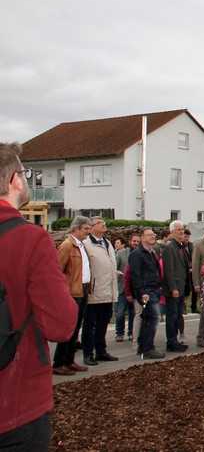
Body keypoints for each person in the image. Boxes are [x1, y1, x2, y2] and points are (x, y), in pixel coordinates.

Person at [0, 142, 77, 451]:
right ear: (13, 180)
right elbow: (61, 325)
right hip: (15, 404)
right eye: (26, 173)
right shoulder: (29, 238)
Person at [52, 216, 93, 375]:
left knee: (75, 329)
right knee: (69, 328)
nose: (88, 232)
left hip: (82, 290)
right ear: (76, 228)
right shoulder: (67, 246)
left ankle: (69, 360)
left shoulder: (81, 245)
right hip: (72, 292)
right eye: (85, 229)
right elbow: (57, 270)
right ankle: (59, 362)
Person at [81, 217, 119, 365]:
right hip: (94, 292)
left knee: (103, 323)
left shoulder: (107, 243)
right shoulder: (86, 244)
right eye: (100, 223)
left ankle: (101, 351)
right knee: (90, 325)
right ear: (92, 227)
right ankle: (88, 353)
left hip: (108, 290)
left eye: (104, 222)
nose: (104, 224)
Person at [129, 228, 165, 359]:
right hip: (146, 292)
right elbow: (135, 275)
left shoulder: (152, 252)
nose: (153, 237)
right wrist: (141, 292)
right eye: (149, 235)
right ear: (142, 238)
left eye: (154, 235)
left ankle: (144, 347)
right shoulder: (137, 254)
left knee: (149, 319)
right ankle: (147, 348)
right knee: (153, 318)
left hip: (154, 290)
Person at [161, 220, 189, 352]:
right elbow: (169, 270)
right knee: (172, 316)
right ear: (172, 232)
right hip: (174, 289)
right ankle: (171, 342)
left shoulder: (181, 246)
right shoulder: (169, 247)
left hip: (181, 287)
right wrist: (173, 288)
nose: (181, 231)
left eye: (182, 229)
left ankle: (175, 340)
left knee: (177, 315)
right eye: (178, 229)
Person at [115, 233, 139, 342]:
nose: (136, 243)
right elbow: (114, 268)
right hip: (122, 288)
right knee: (120, 313)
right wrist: (120, 273)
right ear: (130, 241)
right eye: (134, 241)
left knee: (133, 313)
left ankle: (130, 332)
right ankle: (119, 333)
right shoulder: (121, 253)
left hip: (135, 289)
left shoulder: (140, 254)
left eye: (138, 241)